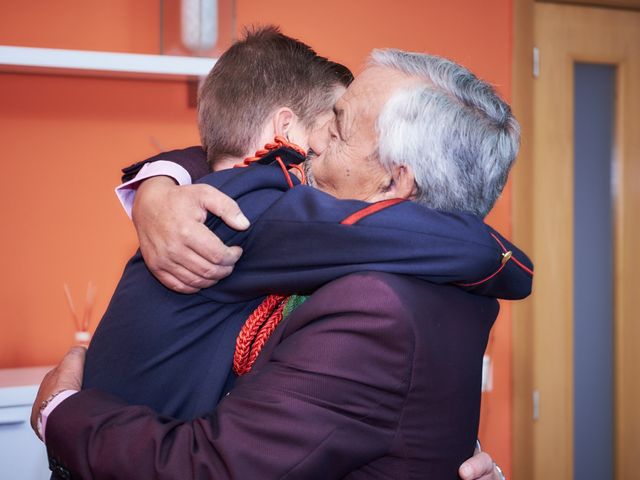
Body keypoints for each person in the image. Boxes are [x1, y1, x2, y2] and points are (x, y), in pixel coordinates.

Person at [34, 46, 526, 479]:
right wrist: (158, 184)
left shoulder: (376, 307)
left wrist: (60, 411)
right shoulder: (429, 279)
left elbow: (212, 465)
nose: (312, 143)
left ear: (395, 184)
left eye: (338, 130)